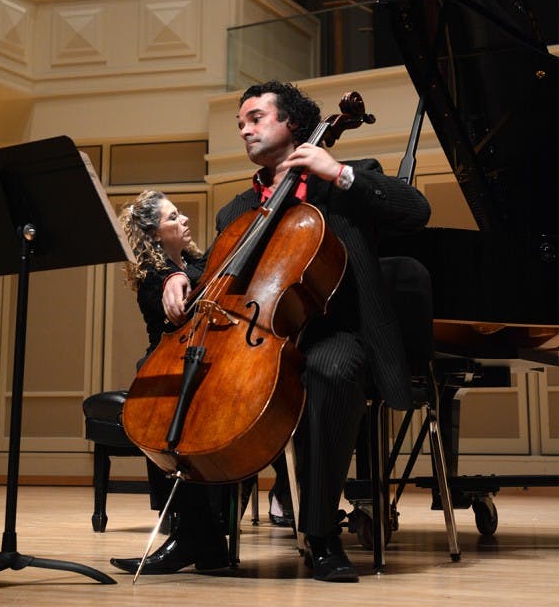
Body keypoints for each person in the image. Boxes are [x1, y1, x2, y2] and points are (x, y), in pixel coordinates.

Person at [156, 81, 431, 582]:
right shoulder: (236, 209)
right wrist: (179, 275)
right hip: (261, 336)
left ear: (293, 125)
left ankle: (322, 535)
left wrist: (341, 172)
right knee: (176, 375)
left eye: (256, 118)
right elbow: (219, 267)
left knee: (332, 368)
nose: (244, 128)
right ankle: (197, 534)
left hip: (337, 329)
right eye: (240, 122)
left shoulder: (347, 182)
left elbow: (415, 212)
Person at [110, 189, 291, 577]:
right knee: (169, 412)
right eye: (173, 218)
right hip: (173, 364)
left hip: (216, 361)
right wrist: (173, 276)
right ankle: (198, 536)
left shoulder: (203, 263)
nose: (185, 220)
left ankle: (204, 536)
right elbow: (172, 290)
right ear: (155, 236)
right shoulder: (153, 278)